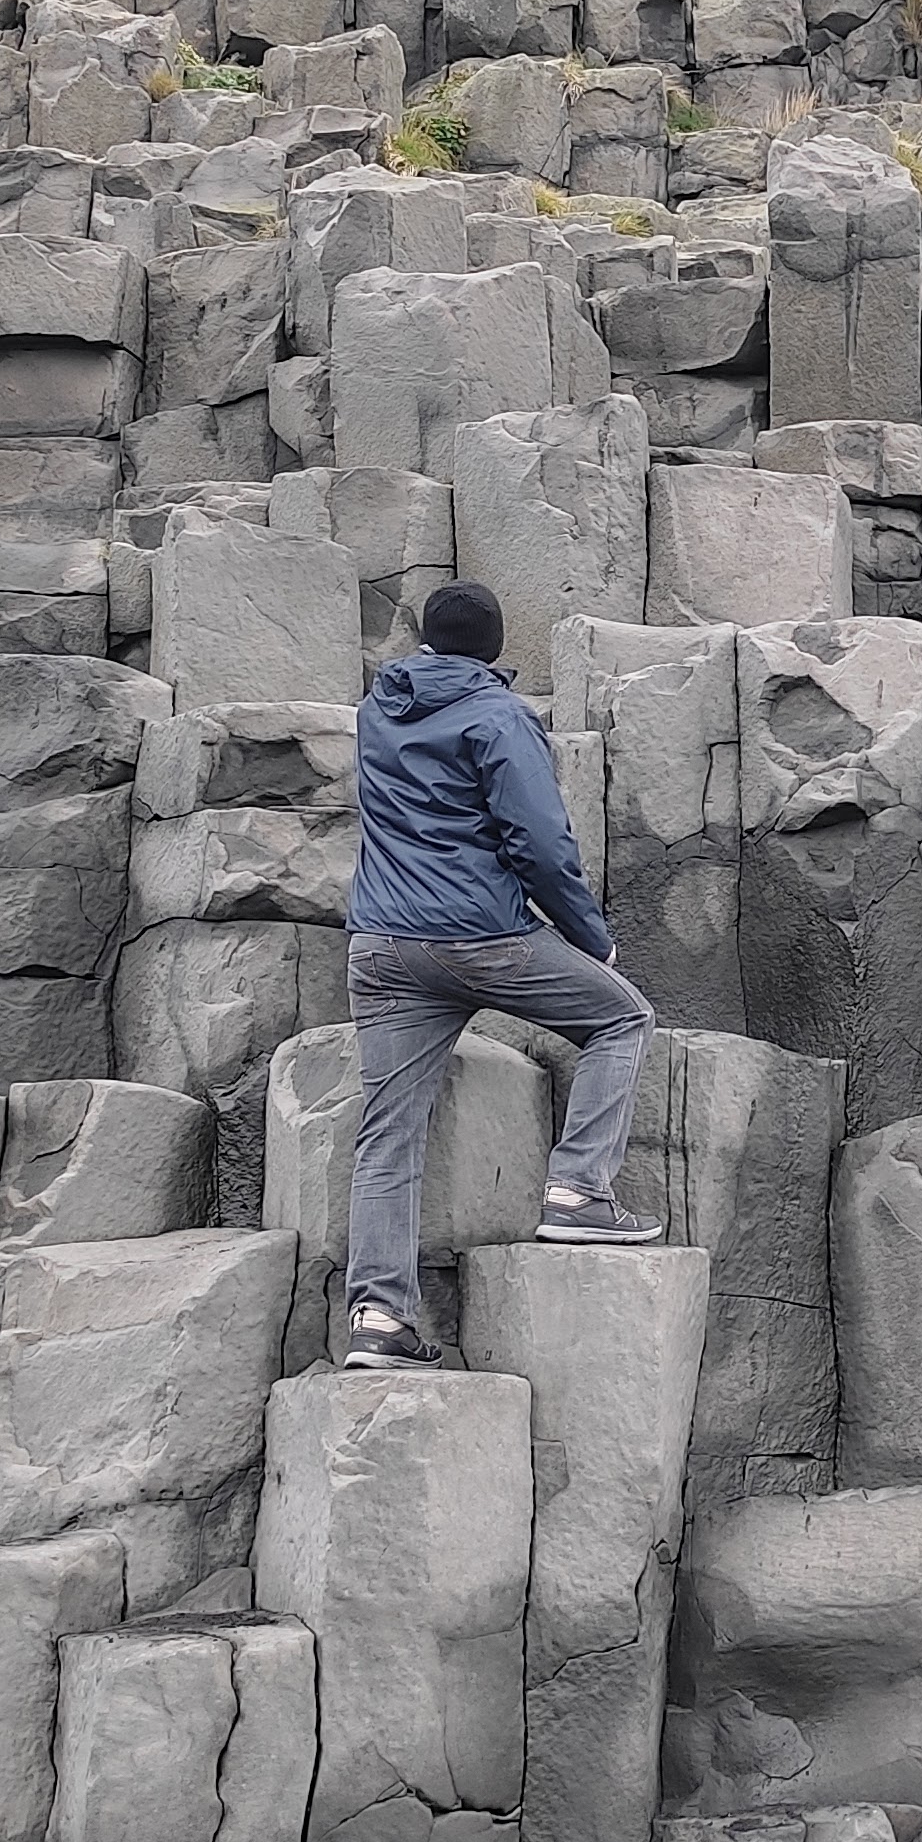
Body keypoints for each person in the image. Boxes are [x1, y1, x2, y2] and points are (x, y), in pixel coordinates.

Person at [342, 578, 660, 1367]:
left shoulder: (377, 708)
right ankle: (578, 1192)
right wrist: (593, 939)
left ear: (423, 640)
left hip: (382, 946)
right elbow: (541, 847)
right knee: (622, 1018)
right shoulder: (499, 716)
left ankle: (378, 1321)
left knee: (387, 1139)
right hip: (482, 938)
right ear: (495, 649)